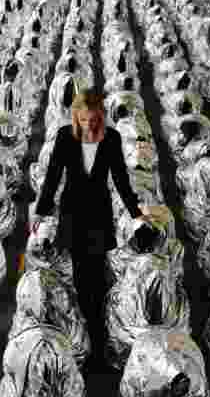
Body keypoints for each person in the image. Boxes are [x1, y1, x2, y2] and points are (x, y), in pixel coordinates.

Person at [30, 90, 148, 352]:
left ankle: (98, 330)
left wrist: (136, 213)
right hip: (73, 214)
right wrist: (41, 210)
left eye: (94, 120)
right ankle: (89, 333)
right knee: (83, 277)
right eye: (83, 120)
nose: (89, 125)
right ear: (76, 117)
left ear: (101, 117)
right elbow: (52, 176)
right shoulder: (64, 136)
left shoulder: (112, 139)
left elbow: (120, 179)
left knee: (96, 274)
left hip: (99, 213)